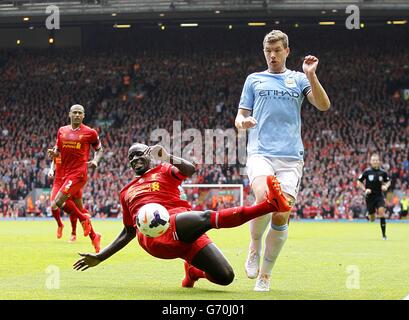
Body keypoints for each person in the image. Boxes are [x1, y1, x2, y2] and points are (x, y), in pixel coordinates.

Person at [73, 143, 291, 289]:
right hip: (155, 235)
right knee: (206, 217)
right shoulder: (126, 192)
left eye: (139, 153)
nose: (135, 158)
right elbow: (128, 232)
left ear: (149, 155)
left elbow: (190, 169)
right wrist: (100, 257)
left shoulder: (164, 169)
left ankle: (194, 272)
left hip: (184, 225)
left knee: (225, 277)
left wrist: (167, 156)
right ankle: (270, 205)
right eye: (131, 157)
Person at [235, 29, 330, 291]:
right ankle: (254, 246)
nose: (273, 55)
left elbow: (323, 105)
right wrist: (244, 121)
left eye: (277, 50)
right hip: (260, 152)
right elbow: (239, 117)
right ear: (264, 52)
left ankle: (265, 274)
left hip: (290, 158)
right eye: (268, 51)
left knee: (281, 213)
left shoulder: (299, 79)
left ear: (287, 51)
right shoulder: (254, 80)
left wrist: (311, 75)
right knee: (265, 198)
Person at [47, 104, 103, 252]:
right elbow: (58, 150)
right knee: (63, 206)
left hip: (78, 174)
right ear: (69, 114)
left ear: (83, 115)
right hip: (62, 176)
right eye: (75, 112)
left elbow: (99, 149)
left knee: (58, 201)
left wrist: (96, 161)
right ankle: (94, 236)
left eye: (80, 113)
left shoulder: (90, 132)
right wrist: (54, 155)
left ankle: (83, 220)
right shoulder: (62, 131)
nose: (77, 115)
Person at [357, 153, 391, 240]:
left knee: (381, 213)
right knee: (372, 219)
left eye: (376, 160)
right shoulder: (367, 172)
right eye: (373, 160)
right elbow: (359, 182)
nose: (375, 162)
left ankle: (384, 235)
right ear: (370, 162)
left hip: (379, 196)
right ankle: (369, 214)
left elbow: (388, 181)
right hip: (370, 197)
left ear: (379, 161)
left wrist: (386, 186)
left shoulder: (383, 172)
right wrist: (365, 190)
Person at [48, 154, 79, 242]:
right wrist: (51, 170)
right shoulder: (58, 147)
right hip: (58, 181)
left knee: (73, 207)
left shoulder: (71, 149)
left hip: (69, 181)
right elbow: (54, 161)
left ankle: (73, 233)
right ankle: (60, 224)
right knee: (53, 205)